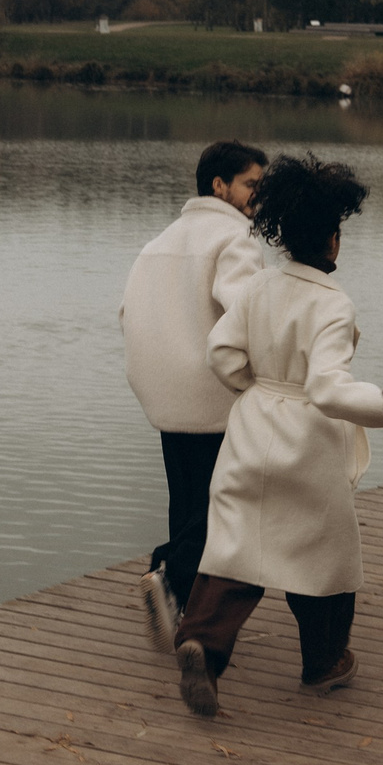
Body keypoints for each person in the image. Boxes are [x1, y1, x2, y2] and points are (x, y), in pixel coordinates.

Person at [171, 153, 383, 718]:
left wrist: (253, 386)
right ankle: (324, 662)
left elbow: (222, 351)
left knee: (236, 547)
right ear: (333, 241)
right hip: (307, 443)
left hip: (252, 425)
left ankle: (204, 646)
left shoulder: (259, 287)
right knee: (324, 554)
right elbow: (330, 390)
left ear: (279, 233)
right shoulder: (333, 305)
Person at [119, 139, 268, 650]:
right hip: (215, 396)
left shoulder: (160, 240)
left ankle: (175, 602)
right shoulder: (236, 240)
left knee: (187, 503)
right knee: (222, 510)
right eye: (251, 184)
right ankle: (169, 575)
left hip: (164, 396)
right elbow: (248, 317)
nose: (257, 196)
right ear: (218, 185)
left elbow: (126, 315)